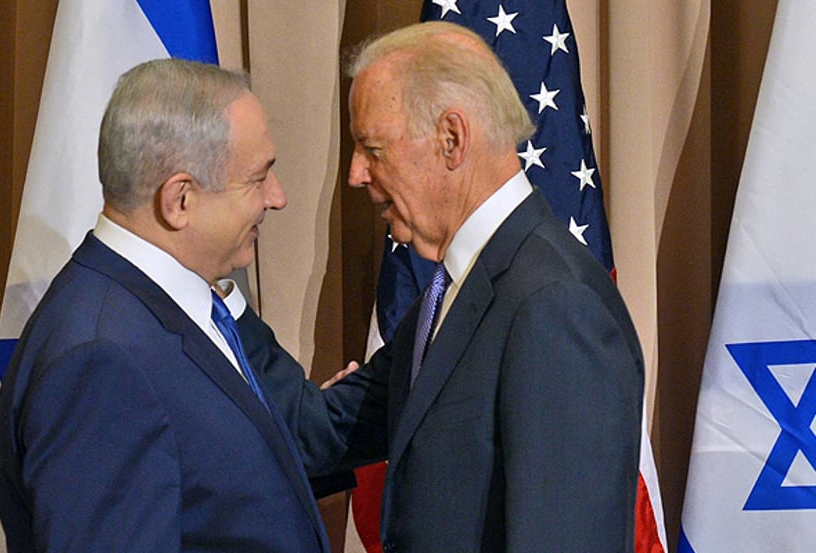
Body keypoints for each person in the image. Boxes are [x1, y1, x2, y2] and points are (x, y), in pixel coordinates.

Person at [242, 21, 645, 552]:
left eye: (372, 148)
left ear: (451, 140)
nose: (356, 174)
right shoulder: (459, 289)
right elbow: (321, 431)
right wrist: (213, 283)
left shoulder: (553, 306)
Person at [0, 59, 332, 552]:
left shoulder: (163, 310)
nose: (277, 198)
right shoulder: (102, 360)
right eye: (258, 179)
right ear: (180, 200)